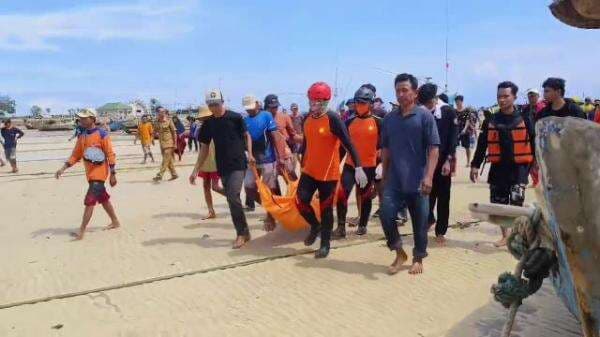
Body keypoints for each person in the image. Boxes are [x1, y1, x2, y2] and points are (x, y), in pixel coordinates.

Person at [380, 73, 439, 275]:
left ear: (415, 93)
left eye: (405, 90)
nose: (401, 94)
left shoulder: (424, 116)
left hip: (418, 178)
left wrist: (429, 176)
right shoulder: (389, 119)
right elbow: (385, 149)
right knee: (386, 214)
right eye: (398, 90)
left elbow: (433, 149)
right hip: (394, 179)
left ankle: (418, 257)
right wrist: (383, 174)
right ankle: (398, 251)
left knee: (420, 222)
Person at [298, 81, 365, 258]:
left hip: (328, 173)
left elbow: (348, 143)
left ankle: (325, 244)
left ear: (326, 102)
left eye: (318, 102)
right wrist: (299, 157)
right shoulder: (307, 118)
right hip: (309, 170)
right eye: (312, 102)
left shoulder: (333, 118)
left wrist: (358, 166)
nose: (314, 106)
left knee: (326, 209)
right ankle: (315, 225)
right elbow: (306, 142)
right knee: (300, 201)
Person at [470, 81, 535, 247]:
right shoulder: (491, 120)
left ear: (514, 97)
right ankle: (505, 236)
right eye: (499, 96)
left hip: (519, 169)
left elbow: (535, 144)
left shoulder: (525, 119)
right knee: (498, 204)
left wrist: (537, 165)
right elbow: (482, 144)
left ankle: (516, 236)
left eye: (506, 96)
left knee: (516, 204)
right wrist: (475, 165)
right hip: (498, 169)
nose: (502, 100)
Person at [190, 89, 254, 249]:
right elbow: (204, 148)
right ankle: (245, 231)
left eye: (216, 104)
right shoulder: (209, 124)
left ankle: (240, 233)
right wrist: (196, 169)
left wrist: (251, 154)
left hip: (239, 163)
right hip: (222, 165)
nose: (214, 108)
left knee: (232, 196)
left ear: (222, 102)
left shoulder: (235, 117)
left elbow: (247, 136)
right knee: (232, 199)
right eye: (210, 105)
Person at [55, 108, 120, 240]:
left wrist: (113, 173)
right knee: (103, 198)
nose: (82, 120)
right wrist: (63, 168)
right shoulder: (82, 136)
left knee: (89, 201)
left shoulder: (102, 134)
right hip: (90, 174)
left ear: (92, 119)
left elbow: (110, 154)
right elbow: (76, 155)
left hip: (100, 174)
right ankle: (115, 222)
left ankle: (81, 231)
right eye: (81, 118)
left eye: (85, 118)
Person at [333, 86, 381, 238]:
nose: (359, 105)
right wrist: (335, 166)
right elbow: (342, 147)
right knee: (341, 195)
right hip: (350, 166)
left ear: (370, 104)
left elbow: (385, 146)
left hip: (369, 167)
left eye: (363, 103)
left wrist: (381, 166)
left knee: (365, 197)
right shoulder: (349, 123)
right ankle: (341, 227)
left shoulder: (379, 123)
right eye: (357, 102)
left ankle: (363, 225)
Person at [418, 83, 457, 245]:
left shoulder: (448, 112)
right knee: (426, 195)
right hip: (425, 163)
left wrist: (449, 160)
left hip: (443, 162)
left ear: (435, 98)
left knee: (443, 197)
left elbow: (452, 139)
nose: (426, 105)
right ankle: (428, 219)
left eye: (428, 102)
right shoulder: (421, 112)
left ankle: (441, 231)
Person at [243, 94, 287, 231]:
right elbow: (246, 139)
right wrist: (249, 155)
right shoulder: (245, 120)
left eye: (251, 107)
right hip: (252, 161)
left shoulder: (266, 116)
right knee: (249, 187)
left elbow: (275, 136)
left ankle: (271, 216)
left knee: (270, 189)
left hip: (268, 159)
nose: (250, 110)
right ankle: (272, 208)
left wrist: (280, 157)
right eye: (247, 108)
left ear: (257, 104)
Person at [195, 106, 224, 220]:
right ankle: (211, 211)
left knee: (215, 187)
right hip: (204, 160)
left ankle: (232, 198)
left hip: (216, 159)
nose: (204, 119)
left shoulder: (218, 127)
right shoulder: (200, 129)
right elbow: (202, 147)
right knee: (205, 186)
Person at [264, 94, 298, 179]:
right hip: (268, 155)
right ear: (266, 107)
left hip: (284, 152)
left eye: (276, 107)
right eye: (272, 107)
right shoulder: (262, 118)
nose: (275, 109)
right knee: (272, 183)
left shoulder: (284, 117)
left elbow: (293, 135)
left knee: (292, 179)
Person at [153, 107, 178, 182]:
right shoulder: (156, 122)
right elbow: (155, 131)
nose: (163, 112)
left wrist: (175, 143)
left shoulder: (169, 120)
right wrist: (153, 137)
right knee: (168, 159)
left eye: (163, 111)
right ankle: (174, 174)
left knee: (165, 159)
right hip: (162, 143)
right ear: (157, 113)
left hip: (169, 142)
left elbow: (174, 133)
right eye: (161, 111)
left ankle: (160, 174)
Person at [456, 95, 477, 167]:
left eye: (458, 102)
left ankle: (468, 162)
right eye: (456, 102)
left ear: (461, 101)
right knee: (453, 146)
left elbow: (467, 120)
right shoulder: (455, 111)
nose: (457, 103)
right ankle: (453, 161)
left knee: (467, 147)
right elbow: (455, 120)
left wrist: (464, 129)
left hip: (465, 130)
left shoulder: (466, 110)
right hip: (457, 130)